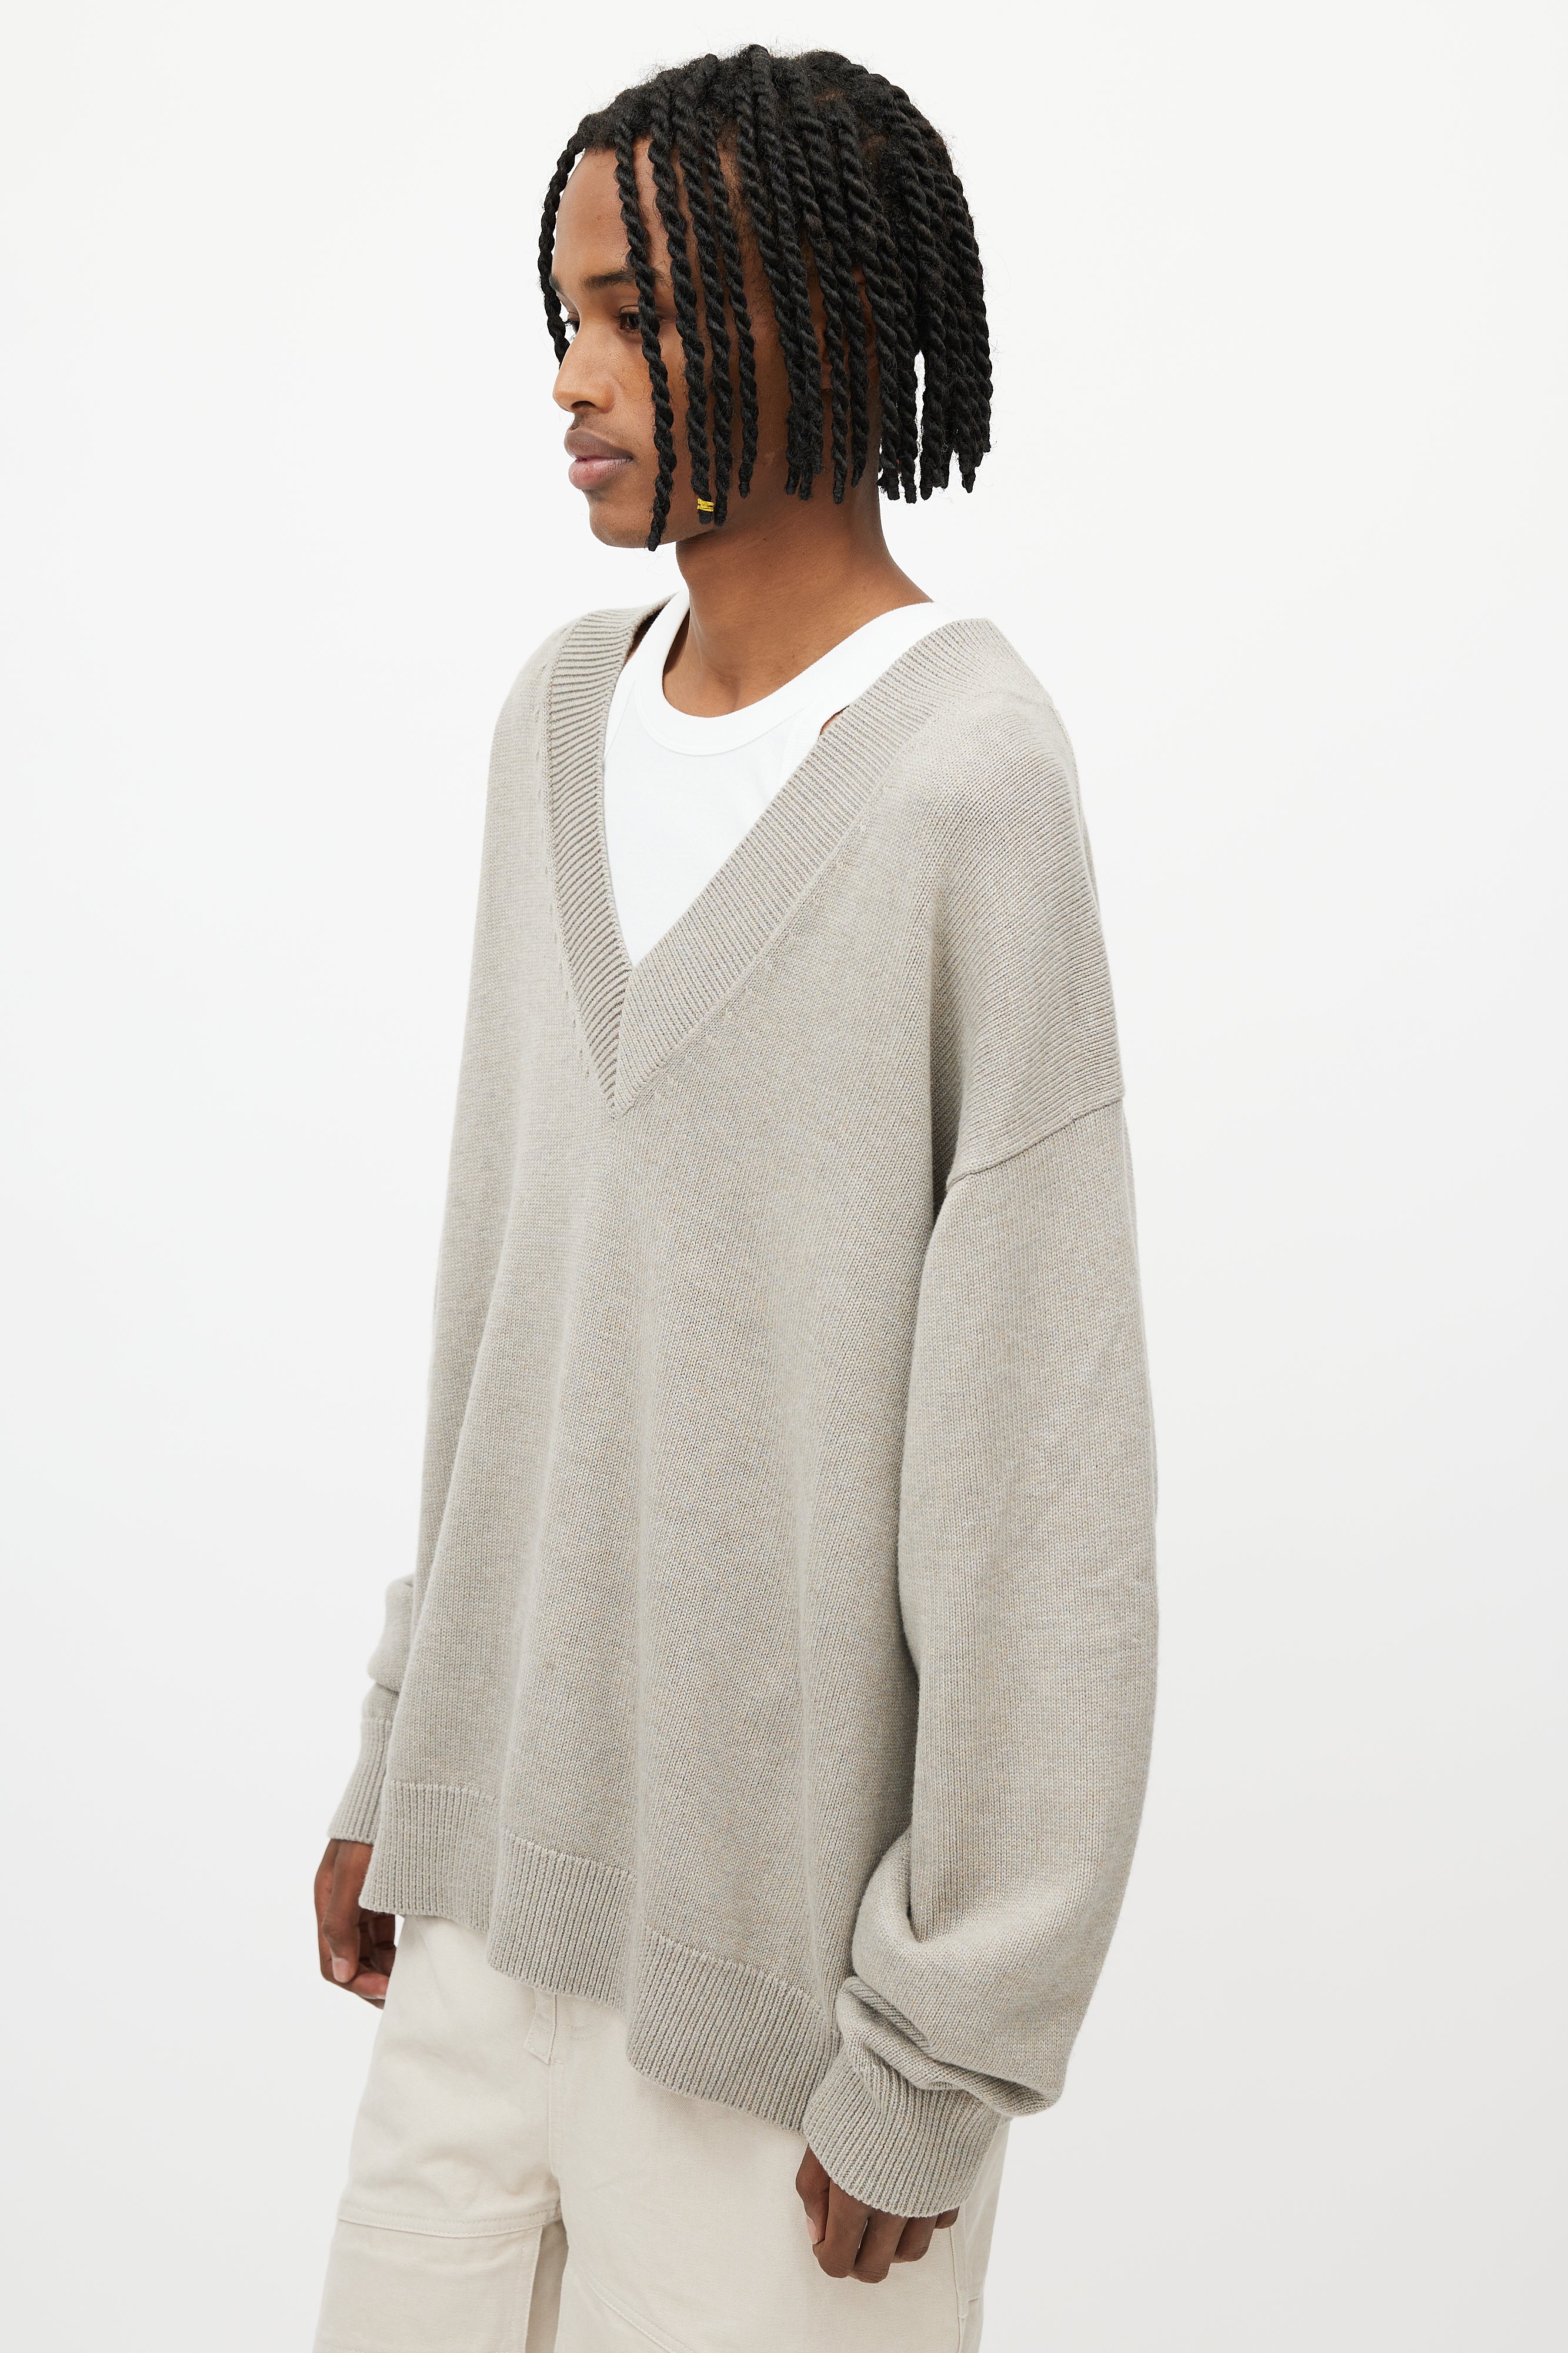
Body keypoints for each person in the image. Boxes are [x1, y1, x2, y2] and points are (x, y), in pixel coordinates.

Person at [311, 44, 1157, 2353]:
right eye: (561, 318)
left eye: (639, 316)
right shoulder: (553, 724)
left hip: (775, 2025)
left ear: (827, 313)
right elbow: (507, 1305)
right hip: (478, 1922)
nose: (571, 378)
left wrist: (940, 2051)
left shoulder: (967, 780)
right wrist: (406, 1746)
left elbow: (1040, 1477)